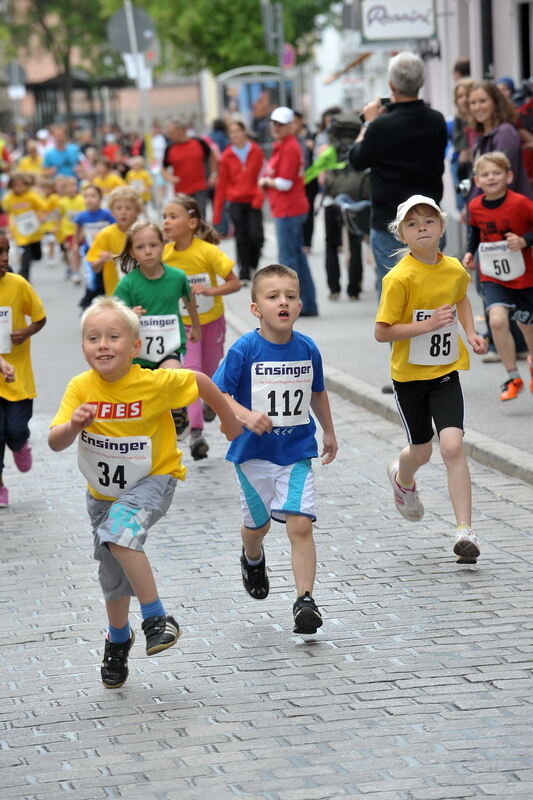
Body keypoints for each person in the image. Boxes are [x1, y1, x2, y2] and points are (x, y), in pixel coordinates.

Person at [48, 296, 242, 688]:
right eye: (92, 338)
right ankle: (118, 639)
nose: (102, 344)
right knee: (113, 565)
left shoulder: (153, 383)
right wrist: (73, 424)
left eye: (113, 336)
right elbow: (54, 441)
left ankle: (157, 617)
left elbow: (202, 381)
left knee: (120, 536)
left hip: (153, 478)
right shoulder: (80, 388)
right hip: (102, 492)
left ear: (135, 348)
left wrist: (229, 419)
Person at [212, 264, 338, 633]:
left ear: (299, 305)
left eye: (291, 296)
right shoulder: (244, 348)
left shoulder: (307, 347)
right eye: (273, 296)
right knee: (258, 525)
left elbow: (317, 391)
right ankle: (252, 556)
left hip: (296, 451)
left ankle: (305, 600)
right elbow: (218, 393)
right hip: (251, 456)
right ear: (256, 308)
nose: (283, 302)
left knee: (300, 523)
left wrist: (329, 431)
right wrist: (245, 415)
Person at [374, 195, 487, 564]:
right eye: (412, 223)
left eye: (428, 221)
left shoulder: (453, 268)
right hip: (408, 378)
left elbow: (462, 298)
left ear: (441, 227)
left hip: (445, 373)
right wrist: (425, 325)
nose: (421, 228)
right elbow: (382, 332)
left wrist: (469, 332)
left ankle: (464, 530)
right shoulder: (399, 277)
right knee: (421, 451)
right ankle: (402, 477)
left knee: (453, 446)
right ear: (401, 234)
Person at [350, 52, 448, 301]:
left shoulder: (381, 126)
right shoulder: (436, 120)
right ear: (422, 81)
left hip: (389, 221)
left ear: (391, 85)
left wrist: (368, 124)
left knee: (395, 299)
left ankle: (401, 341)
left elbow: (357, 159)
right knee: (432, 294)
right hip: (429, 217)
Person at [162, 193, 240, 460]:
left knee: (210, 371)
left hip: (213, 322)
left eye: (173, 217)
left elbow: (235, 282)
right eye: (164, 217)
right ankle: (196, 433)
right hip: (184, 325)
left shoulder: (207, 252)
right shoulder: (164, 255)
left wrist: (209, 290)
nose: (166, 222)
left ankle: (209, 401)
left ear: (192, 222)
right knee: (192, 373)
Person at [113, 220, 201, 437]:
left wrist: (196, 326)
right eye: (140, 247)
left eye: (153, 245)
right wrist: (130, 314)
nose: (148, 251)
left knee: (173, 374)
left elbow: (189, 301)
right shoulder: (128, 284)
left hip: (169, 344)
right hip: (139, 352)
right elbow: (114, 315)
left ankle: (179, 410)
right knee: (148, 398)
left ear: (163, 245)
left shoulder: (177, 277)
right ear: (132, 253)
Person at [463, 152, 533, 401]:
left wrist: (524, 240)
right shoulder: (475, 206)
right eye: (485, 174)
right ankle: (513, 377)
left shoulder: (521, 203)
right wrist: (469, 253)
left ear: (509, 176)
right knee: (497, 321)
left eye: (496, 173)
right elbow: (474, 232)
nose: (491, 178)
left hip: (524, 277)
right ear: (477, 180)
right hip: (492, 276)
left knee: (528, 327)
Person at [0, 230, 46, 507]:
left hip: (18, 376)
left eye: (6, 251)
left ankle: (20, 444)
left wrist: (26, 331)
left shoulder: (18, 284)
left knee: (15, 430)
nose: (4, 258)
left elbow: (40, 317)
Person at [258, 106, 319, 317]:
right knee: (297, 258)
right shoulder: (285, 145)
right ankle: (308, 304)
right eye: (274, 123)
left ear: (291, 125)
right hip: (287, 208)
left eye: (281, 124)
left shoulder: (290, 147)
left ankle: (294, 306)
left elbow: (284, 183)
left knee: (289, 261)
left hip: (288, 209)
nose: (276, 127)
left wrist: (265, 181)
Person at [213, 121, 264, 284]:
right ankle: (243, 272)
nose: (235, 135)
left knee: (256, 236)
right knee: (241, 236)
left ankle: (253, 264)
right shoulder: (227, 155)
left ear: (244, 132)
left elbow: (263, 176)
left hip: (253, 200)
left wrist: (259, 197)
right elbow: (222, 184)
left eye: (237, 131)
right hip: (235, 201)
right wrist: (217, 213)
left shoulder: (256, 151)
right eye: (231, 132)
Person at [86, 186, 142, 297]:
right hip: (115, 291)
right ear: (111, 212)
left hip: (142, 289)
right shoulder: (106, 234)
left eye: (128, 208)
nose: (123, 212)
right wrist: (101, 260)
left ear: (137, 211)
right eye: (118, 208)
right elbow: (94, 267)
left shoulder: (144, 231)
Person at [162, 118, 217, 217]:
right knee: (185, 219)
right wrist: (170, 178)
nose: (169, 135)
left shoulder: (198, 142)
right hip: (181, 192)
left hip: (200, 187)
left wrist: (213, 174)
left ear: (182, 130)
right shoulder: (169, 148)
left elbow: (212, 156)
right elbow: (163, 168)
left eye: (172, 132)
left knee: (199, 217)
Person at [75, 185, 115, 309]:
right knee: (92, 281)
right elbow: (78, 235)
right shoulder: (82, 216)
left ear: (100, 198)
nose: (89, 199)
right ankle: (87, 304)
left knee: (103, 281)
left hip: (105, 254)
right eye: (86, 196)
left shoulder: (107, 215)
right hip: (90, 254)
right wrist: (76, 246)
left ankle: (100, 304)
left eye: (93, 196)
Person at [2, 173, 47, 281]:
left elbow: (43, 207)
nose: (19, 188)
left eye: (21, 185)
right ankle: (24, 277)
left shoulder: (31, 196)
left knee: (37, 255)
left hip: (34, 230)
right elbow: (7, 213)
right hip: (20, 230)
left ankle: (26, 266)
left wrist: (41, 217)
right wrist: (8, 228)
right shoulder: (9, 198)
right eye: (16, 185)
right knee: (25, 252)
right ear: (11, 186)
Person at [57, 175, 85, 283]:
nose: (71, 189)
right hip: (68, 231)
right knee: (73, 250)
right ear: (64, 189)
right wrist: (59, 231)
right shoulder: (62, 202)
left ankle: (75, 269)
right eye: (68, 187)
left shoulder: (81, 200)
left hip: (80, 230)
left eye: (73, 186)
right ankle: (75, 271)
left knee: (77, 252)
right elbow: (60, 216)